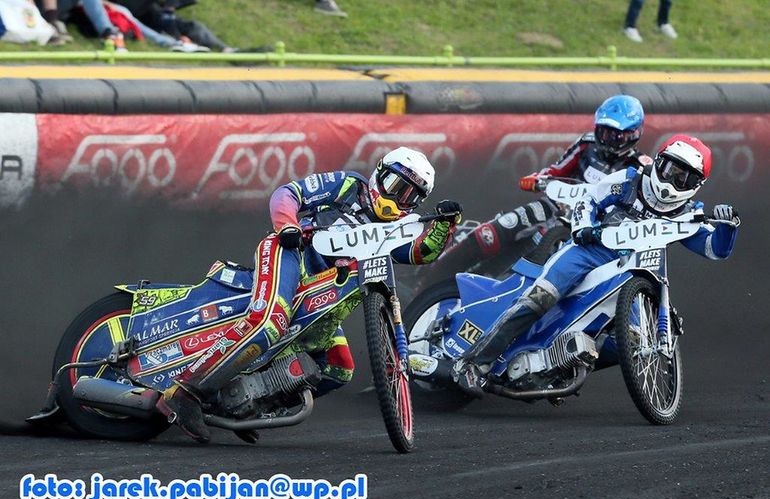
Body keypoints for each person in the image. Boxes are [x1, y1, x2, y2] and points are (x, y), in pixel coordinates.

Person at [156, 147, 463, 442]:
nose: (398, 199)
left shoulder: (397, 227)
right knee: (270, 322)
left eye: (410, 196)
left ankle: (249, 407)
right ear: (379, 174)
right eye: (396, 186)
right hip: (290, 254)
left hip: (325, 293)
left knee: (340, 368)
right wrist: (287, 226)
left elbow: (418, 253)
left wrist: (444, 226)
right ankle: (185, 392)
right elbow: (288, 193)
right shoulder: (348, 185)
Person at [454, 134, 740, 397]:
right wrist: (584, 227)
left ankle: (560, 365)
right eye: (670, 170)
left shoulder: (690, 214)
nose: (673, 181)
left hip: (633, 272)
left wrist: (729, 226)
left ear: (697, 186)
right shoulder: (629, 180)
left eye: (684, 178)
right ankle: (472, 364)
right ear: (658, 162)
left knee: (633, 340)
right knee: (539, 298)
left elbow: (714, 248)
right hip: (589, 251)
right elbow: (588, 199)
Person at [425, 95, 648, 285]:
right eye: (604, 131)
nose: (609, 140)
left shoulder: (638, 167)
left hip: (588, 227)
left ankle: (496, 282)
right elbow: (557, 170)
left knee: (542, 267)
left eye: (616, 135)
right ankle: (431, 275)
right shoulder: (587, 144)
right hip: (555, 206)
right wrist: (537, 179)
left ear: (632, 135)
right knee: (497, 229)